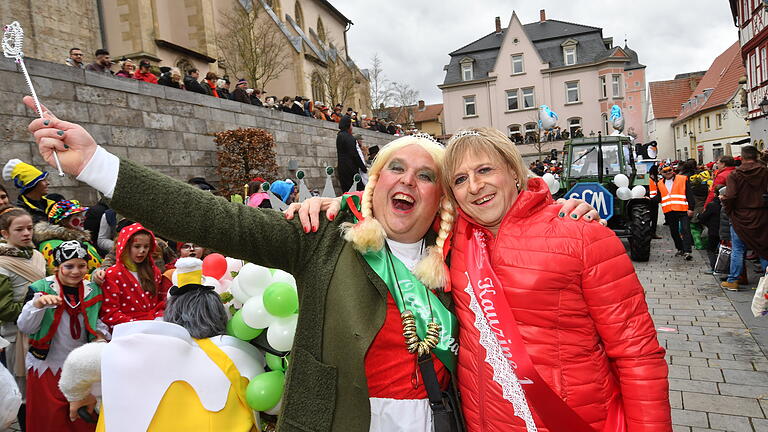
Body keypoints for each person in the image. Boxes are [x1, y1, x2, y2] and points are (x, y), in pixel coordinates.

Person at [24, 98, 596, 431]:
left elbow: (511, 216)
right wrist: (97, 165)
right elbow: (212, 220)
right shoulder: (323, 238)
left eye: (427, 176)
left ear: (439, 198)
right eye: (396, 169)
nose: (409, 181)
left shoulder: (458, 250)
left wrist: (558, 208)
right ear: (374, 188)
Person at [59, 257, 262, 431]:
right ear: (218, 313)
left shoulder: (142, 344)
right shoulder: (238, 353)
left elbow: (79, 362)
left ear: (171, 312)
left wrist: (77, 397)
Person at [16, 240, 107, 432]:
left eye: (82, 266)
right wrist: (38, 305)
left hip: (81, 366)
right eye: (69, 266)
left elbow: (97, 320)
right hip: (47, 365)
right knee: (49, 420)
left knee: (82, 420)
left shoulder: (93, 289)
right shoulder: (40, 288)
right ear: (57, 266)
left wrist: (100, 336)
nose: (76, 271)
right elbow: (26, 327)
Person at [0, 206, 46, 430]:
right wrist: (35, 304)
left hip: (44, 327)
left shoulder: (37, 255)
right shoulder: (2, 264)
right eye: (19, 229)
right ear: (5, 234)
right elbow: (5, 308)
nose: (27, 233)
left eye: (29, 228)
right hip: (16, 334)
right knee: (23, 389)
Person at [100, 223, 171, 326]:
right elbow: (110, 313)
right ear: (125, 247)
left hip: (155, 324)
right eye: (137, 246)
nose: (142, 251)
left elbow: (161, 302)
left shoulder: (154, 272)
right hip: (126, 329)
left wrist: (159, 318)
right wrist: (137, 325)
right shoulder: (112, 274)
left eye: (146, 246)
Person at [720, 145, 768, 291]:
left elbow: (731, 196)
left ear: (742, 157)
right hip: (762, 214)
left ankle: (733, 280)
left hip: (741, 215)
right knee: (763, 248)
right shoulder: (765, 172)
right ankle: (767, 281)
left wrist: (728, 209)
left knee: (738, 249)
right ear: (756, 156)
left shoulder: (735, 175)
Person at [34, 200, 102, 275]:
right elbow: (63, 275)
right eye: (77, 215)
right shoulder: (52, 245)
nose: (83, 218)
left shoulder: (82, 240)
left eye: (81, 214)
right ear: (63, 221)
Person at [653, 162, 695, 260]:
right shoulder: (660, 183)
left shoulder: (682, 179)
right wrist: (648, 199)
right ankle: (680, 248)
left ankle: (687, 251)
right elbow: (659, 197)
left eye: (670, 170)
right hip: (670, 211)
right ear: (661, 173)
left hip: (683, 209)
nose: (668, 172)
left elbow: (689, 194)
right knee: (674, 232)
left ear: (673, 170)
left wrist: (691, 208)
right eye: (665, 171)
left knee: (685, 230)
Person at [2, 159, 64, 223]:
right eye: (43, 180)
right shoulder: (18, 210)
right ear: (32, 184)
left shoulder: (54, 203)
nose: (47, 183)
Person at [336, 116, 367, 192]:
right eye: (351, 124)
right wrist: (363, 168)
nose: (352, 127)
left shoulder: (339, 136)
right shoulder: (349, 138)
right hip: (350, 169)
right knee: (358, 191)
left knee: (347, 192)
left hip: (342, 168)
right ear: (348, 125)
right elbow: (354, 155)